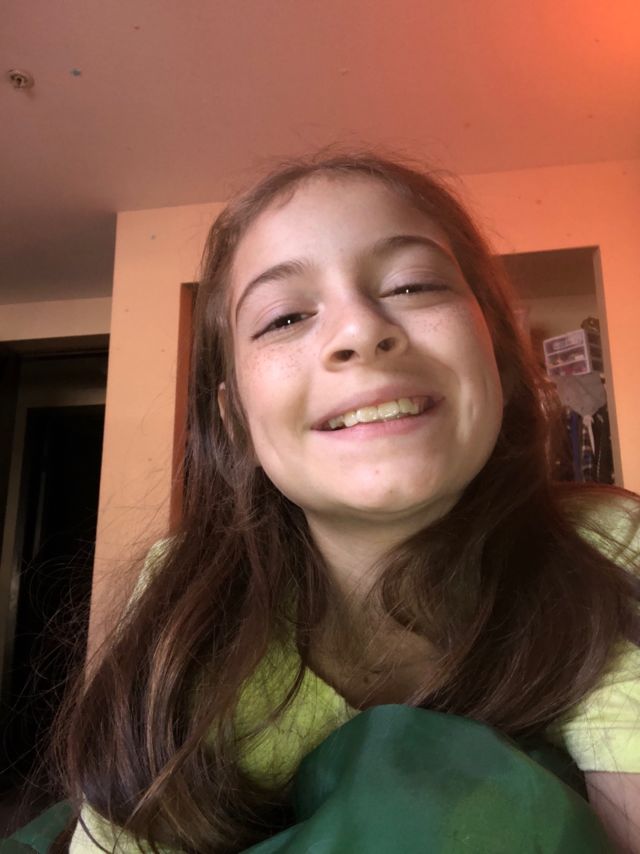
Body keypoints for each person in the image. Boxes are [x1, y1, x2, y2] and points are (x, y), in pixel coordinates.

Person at [55, 153, 639, 852]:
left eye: (413, 284)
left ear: (500, 362)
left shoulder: (605, 549)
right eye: (284, 317)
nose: (360, 330)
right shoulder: (188, 606)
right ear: (236, 422)